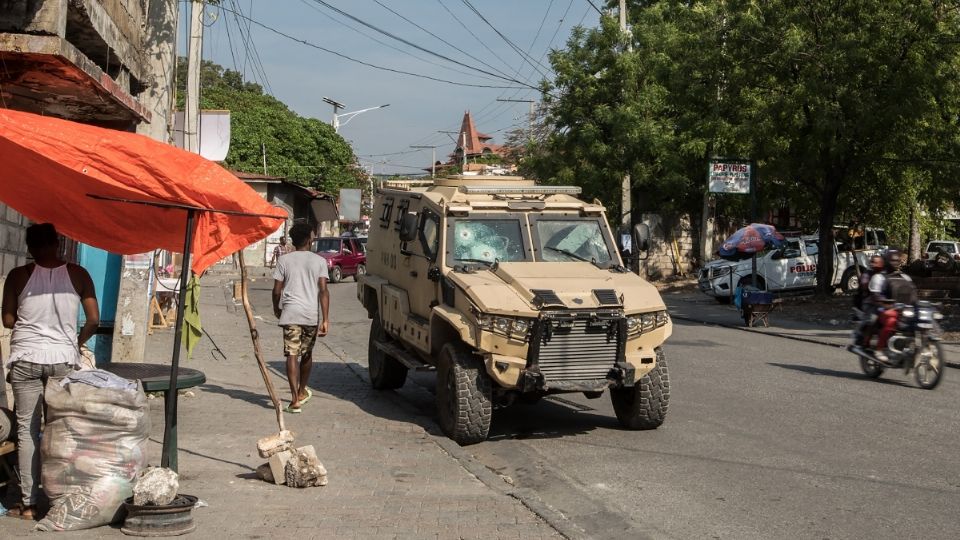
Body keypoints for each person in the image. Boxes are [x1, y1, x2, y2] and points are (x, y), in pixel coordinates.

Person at [1, 223, 99, 520]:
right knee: (62, 429)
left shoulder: (19, 276)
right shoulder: (79, 274)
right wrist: (76, 343)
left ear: (30, 248)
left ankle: (29, 504)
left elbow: (8, 320)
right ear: (58, 244)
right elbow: (93, 319)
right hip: (63, 360)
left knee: (27, 431)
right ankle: (61, 500)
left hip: (27, 358)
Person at [272, 223, 329, 413]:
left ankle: (295, 399)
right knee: (307, 354)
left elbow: (276, 291)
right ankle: (302, 390)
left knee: (291, 354)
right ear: (310, 239)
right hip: (310, 315)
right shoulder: (319, 261)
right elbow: (323, 291)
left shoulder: (284, 261)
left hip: (290, 314)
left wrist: (277, 309)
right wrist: (325, 319)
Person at [852, 255, 885, 347]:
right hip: (869, 302)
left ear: (881, 263)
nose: (873, 264)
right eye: (872, 262)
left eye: (875, 262)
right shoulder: (867, 274)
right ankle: (863, 339)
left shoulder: (884, 274)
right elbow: (864, 285)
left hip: (884, 303)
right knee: (872, 319)